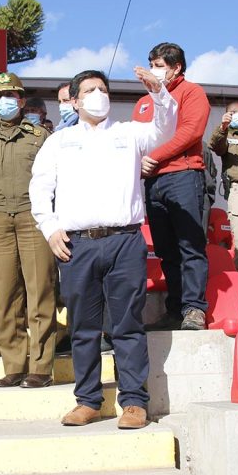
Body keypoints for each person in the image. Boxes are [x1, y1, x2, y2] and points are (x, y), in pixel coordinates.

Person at [30, 68, 177, 429]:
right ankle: (88, 400)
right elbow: (39, 188)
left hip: (125, 240)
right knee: (83, 327)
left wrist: (160, 93)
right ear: (75, 101)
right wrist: (49, 228)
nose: (98, 95)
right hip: (78, 245)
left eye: (103, 89)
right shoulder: (58, 142)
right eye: (89, 90)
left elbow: (166, 129)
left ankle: (133, 402)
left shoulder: (129, 133)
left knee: (127, 324)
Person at [0, 72, 57, 389]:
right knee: (6, 293)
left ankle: (41, 366)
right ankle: (14, 365)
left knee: (40, 291)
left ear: (21, 100)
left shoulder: (40, 136)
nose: (3, 101)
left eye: (10, 95)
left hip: (33, 215)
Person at [133, 42, 210, 331]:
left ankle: (194, 308)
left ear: (176, 67)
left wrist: (154, 157)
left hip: (183, 176)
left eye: (160, 66)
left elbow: (191, 131)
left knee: (190, 245)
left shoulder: (192, 92)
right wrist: (140, 163)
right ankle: (175, 309)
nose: (154, 70)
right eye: (151, 64)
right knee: (166, 249)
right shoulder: (143, 101)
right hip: (153, 181)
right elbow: (139, 140)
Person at [207, 100, 238, 271]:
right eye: (229, 113)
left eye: (235, 112)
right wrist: (223, 127)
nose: (233, 115)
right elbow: (214, 146)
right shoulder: (227, 134)